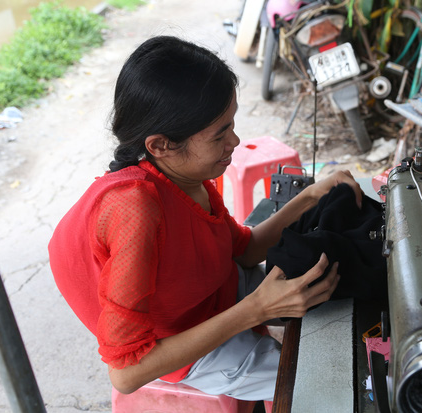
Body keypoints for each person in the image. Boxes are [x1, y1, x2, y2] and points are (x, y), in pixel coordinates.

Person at [48, 35, 363, 402]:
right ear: (161, 145)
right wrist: (257, 309)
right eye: (220, 135)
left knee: (331, 299)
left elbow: (243, 252)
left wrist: (310, 196)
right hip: (178, 345)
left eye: (231, 124)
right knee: (327, 384)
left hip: (214, 292)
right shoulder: (134, 212)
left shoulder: (185, 176)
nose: (235, 140)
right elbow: (127, 373)